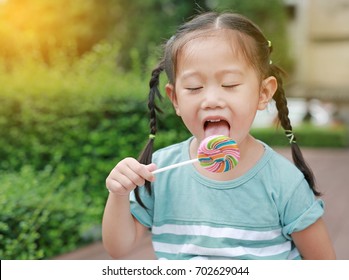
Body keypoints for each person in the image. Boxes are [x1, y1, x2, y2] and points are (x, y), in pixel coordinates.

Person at [102, 11, 336, 260]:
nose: (211, 100)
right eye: (194, 88)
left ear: (263, 93)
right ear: (175, 100)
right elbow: (119, 248)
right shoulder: (161, 171)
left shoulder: (284, 182)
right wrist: (118, 195)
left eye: (230, 84)